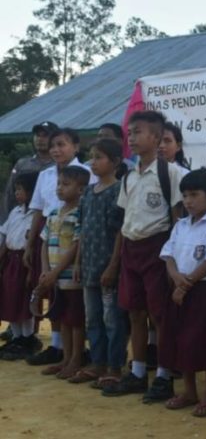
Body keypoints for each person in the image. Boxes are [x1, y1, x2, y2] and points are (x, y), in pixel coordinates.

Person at [102, 111, 186, 402]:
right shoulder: (129, 177)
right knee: (134, 313)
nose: (132, 138)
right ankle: (138, 372)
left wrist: (172, 262)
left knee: (159, 316)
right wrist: (115, 263)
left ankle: (164, 376)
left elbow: (179, 221)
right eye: (130, 132)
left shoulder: (171, 174)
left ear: (155, 137)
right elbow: (124, 224)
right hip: (131, 251)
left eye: (138, 132)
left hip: (157, 250)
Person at [159, 169, 206, 418]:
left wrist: (186, 284)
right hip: (180, 289)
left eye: (195, 195)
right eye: (185, 195)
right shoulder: (180, 225)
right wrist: (177, 279)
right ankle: (189, 391)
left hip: (204, 292)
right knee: (182, 341)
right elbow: (168, 255)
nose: (188, 200)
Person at [24, 128, 94, 367]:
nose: (56, 149)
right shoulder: (44, 175)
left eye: (61, 144)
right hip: (50, 241)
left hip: (73, 251)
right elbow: (38, 212)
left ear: (75, 146)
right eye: (53, 145)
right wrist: (29, 245)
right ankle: (58, 348)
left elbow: (84, 226)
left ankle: (77, 355)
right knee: (55, 303)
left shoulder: (87, 172)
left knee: (75, 313)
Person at [71, 138, 128, 389]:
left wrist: (114, 265)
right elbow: (82, 230)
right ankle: (97, 362)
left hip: (108, 268)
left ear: (115, 162)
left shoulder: (118, 192)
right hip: (89, 266)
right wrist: (77, 262)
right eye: (91, 157)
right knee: (92, 318)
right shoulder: (87, 194)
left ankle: (114, 366)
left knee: (113, 320)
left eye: (99, 157)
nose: (93, 163)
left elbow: (120, 232)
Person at [37, 165, 90, 380]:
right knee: (63, 318)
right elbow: (44, 243)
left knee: (76, 321)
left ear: (80, 190)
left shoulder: (80, 213)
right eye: (59, 184)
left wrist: (56, 271)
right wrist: (45, 271)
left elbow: (76, 245)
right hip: (54, 278)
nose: (60, 188)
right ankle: (66, 358)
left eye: (66, 184)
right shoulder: (53, 214)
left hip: (70, 277)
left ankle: (77, 359)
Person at [0, 172, 42, 360]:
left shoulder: (37, 216)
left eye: (20, 190)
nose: (17, 193)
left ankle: (28, 337)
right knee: (9, 298)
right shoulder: (15, 212)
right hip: (11, 260)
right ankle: (16, 337)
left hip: (26, 260)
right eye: (15, 190)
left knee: (25, 299)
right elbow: (5, 236)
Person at [0, 121, 57, 224]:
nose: (40, 139)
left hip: (49, 221)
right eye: (37, 135)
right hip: (21, 219)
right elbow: (10, 194)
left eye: (45, 136)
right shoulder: (22, 164)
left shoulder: (59, 166)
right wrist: (6, 222)